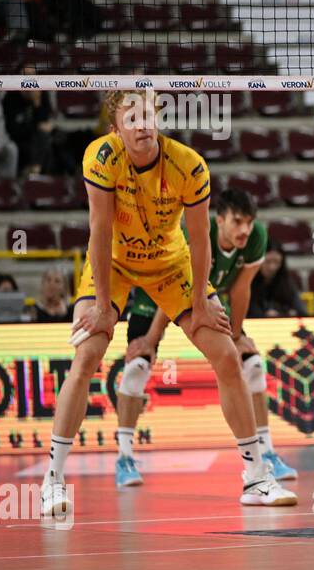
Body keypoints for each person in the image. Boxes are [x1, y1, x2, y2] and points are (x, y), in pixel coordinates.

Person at [41, 90, 296, 516]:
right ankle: (53, 481)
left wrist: (199, 301)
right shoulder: (100, 158)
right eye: (132, 117)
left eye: (149, 115)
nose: (143, 124)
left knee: (227, 355)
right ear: (115, 129)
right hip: (115, 263)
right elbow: (99, 232)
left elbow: (200, 241)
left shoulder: (189, 165)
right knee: (86, 355)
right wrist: (103, 304)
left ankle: (256, 477)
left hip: (170, 265)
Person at [114, 188, 297, 488]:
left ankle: (267, 454)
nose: (245, 230)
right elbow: (172, 288)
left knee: (251, 365)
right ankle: (124, 457)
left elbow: (240, 290)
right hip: (159, 291)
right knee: (137, 366)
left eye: (249, 223)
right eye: (237, 222)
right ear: (220, 219)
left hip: (205, 297)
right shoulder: (196, 231)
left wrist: (236, 335)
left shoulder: (256, 237)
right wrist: (150, 338)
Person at [1, 66, 54, 175]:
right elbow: (12, 129)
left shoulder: (42, 94)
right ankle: (36, 176)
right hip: (17, 139)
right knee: (42, 143)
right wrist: (36, 127)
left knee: (46, 140)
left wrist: (37, 103)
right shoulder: (11, 97)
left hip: (37, 137)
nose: (30, 79)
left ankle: (35, 171)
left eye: (33, 75)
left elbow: (44, 121)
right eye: (26, 75)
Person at [248, 247, 306, 317]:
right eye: (267, 261)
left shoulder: (287, 282)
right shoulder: (249, 283)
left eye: (276, 262)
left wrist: (282, 314)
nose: (272, 267)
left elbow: (301, 311)